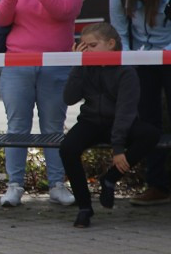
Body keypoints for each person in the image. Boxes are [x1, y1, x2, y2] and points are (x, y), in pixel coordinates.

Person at [0, 0, 85, 207]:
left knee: (52, 125)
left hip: (55, 64)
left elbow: (62, 11)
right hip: (18, 62)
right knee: (17, 126)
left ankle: (57, 184)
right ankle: (14, 185)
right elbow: (1, 18)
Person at [61, 23, 161, 228]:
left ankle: (110, 178)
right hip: (90, 121)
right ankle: (84, 208)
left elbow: (125, 113)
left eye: (92, 45)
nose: (86, 50)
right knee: (67, 148)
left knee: (150, 134)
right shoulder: (86, 67)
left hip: (119, 123)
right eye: (83, 46)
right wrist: (77, 65)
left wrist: (118, 149)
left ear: (111, 44)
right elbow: (69, 98)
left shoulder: (126, 72)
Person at [109, 0, 171, 206]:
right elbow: (120, 34)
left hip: (169, 56)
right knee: (148, 121)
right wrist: (131, 59)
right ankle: (158, 185)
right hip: (140, 58)